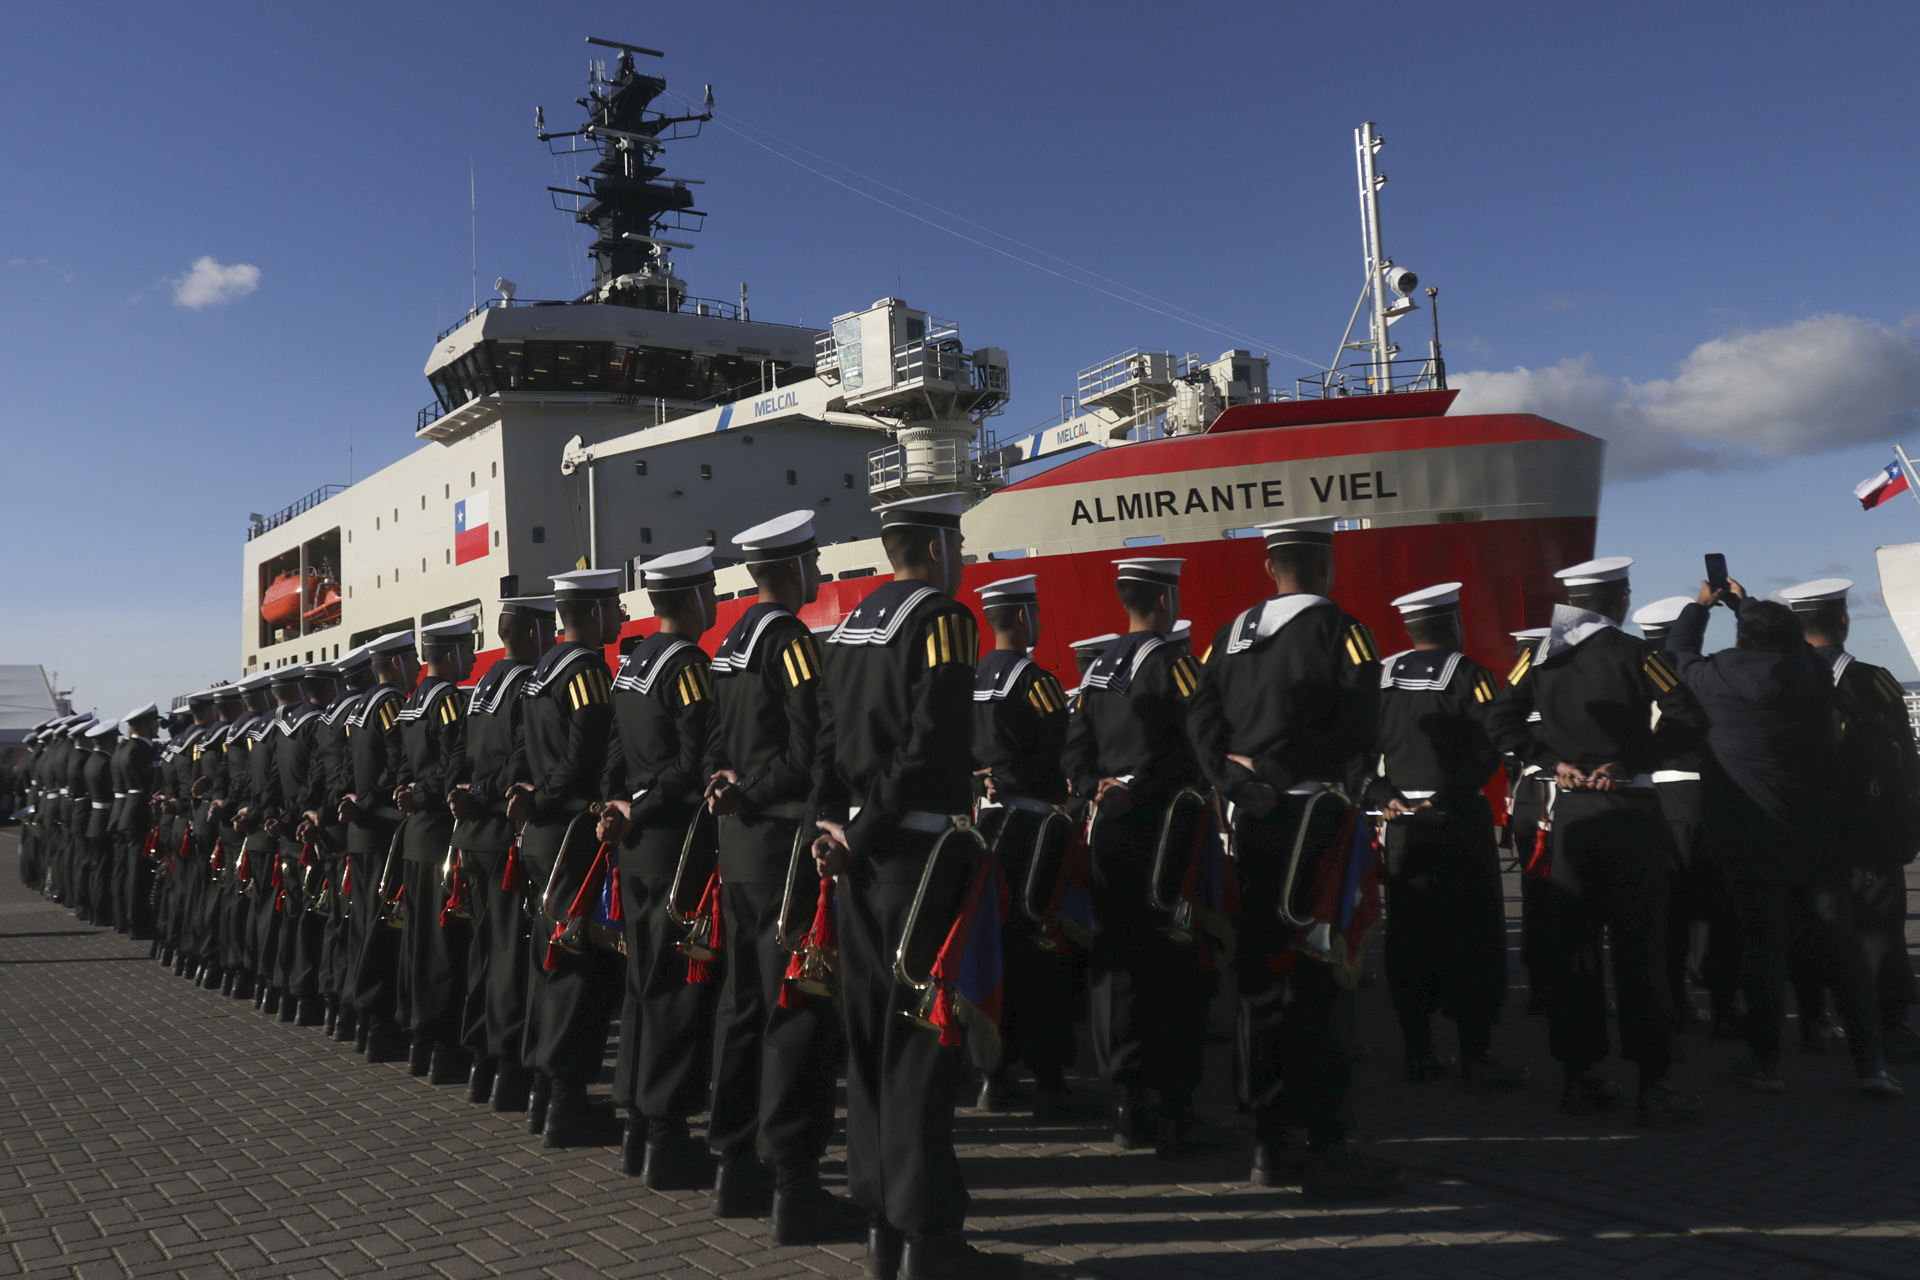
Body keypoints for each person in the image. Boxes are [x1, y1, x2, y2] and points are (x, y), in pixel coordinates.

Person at [812, 492, 1018, 1280]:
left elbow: (827, 744)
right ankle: (928, 1239)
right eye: (956, 544)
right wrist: (863, 832)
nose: (960, 559)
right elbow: (930, 741)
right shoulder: (943, 619)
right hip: (917, 858)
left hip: (858, 860)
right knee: (924, 1048)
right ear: (935, 548)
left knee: (869, 1041)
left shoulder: (847, 629)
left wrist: (832, 830)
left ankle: (882, 1226)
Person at [1186, 516, 1401, 1198]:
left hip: (1254, 821)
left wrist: (1237, 782)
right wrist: (1285, 773)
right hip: (1316, 820)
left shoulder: (1229, 634)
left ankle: (1268, 1142)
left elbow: (1200, 720)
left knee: (1259, 981)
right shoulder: (1343, 630)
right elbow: (1362, 726)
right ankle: (1327, 1149)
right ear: (1326, 565)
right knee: (1321, 982)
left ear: (1268, 567)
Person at [1488, 556, 1707, 1125]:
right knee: (1642, 952)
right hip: (1630, 811)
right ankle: (1653, 1081)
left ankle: (1579, 1077)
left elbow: (1500, 721)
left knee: (1575, 953)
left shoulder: (1538, 656)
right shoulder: (1640, 654)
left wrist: (1549, 760)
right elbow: (1690, 720)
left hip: (1569, 818)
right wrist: (1631, 760)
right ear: (1620, 599)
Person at [1666, 579, 1901, 1096]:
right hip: (1816, 836)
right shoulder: (1811, 673)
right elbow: (1799, 646)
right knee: (1843, 951)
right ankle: (1872, 1065)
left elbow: (1677, 650)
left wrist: (1702, 607)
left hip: (1749, 839)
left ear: (1741, 640)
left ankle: (1766, 1062)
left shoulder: (1714, 677)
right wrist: (1745, 603)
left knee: (1762, 953)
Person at [700, 514, 862, 1241]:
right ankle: (795, 1185)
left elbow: (714, 747)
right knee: (796, 1012)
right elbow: (809, 751)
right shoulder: (791, 642)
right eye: (813, 561)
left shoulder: (728, 642)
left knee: (741, 1011)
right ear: (792, 569)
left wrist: (726, 789)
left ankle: (735, 1169)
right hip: (781, 853)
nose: (819, 572)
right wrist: (777, 802)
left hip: (738, 854)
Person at [1061, 557, 1234, 1161]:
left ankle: (1128, 1103)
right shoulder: (1175, 663)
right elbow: (1202, 743)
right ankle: (1176, 1111)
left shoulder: (1098, 669)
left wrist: (1096, 787)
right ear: (1165, 601)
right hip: (1164, 831)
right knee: (1174, 968)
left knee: (1119, 963)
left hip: (1109, 828)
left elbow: (1075, 752)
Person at [596, 550, 722, 1190]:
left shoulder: (632, 665)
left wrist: (615, 808)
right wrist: (640, 807)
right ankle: (667, 1138)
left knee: (642, 988)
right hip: (675, 846)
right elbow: (694, 763)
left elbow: (614, 757)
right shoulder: (688, 666)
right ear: (693, 598)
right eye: (711, 590)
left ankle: (637, 1130)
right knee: (673, 993)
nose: (715, 600)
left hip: (635, 847)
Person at [1367, 583, 1525, 1092]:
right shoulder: (1469, 674)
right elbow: (1491, 744)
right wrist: (1447, 796)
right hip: (1457, 820)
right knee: (1472, 937)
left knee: (1409, 938)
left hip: (1400, 824)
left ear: (1410, 628)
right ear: (1454, 623)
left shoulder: (1379, 677)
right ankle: (1477, 1055)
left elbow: (1357, 750)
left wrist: (1384, 794)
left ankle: (1418, 1052)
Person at [970, 575, 1096, 1121]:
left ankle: (994, 1075)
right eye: (1037, 613)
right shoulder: (1036, 681)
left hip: (988, 825)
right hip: (1036, 830)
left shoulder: (972, 679)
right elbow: (1060, 753)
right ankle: (1049, 1078)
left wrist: (986, 779)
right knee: (1042, 950)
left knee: (995, 948)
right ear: (1023, 617)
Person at [1780, 577, 1920, 1062]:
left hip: (1799, 823)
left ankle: (1814, 1019)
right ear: (1843, 620)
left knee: (1807, 922)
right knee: (1878, 925)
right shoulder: (1876, 680)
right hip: (1868, 824)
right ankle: (1889, 1024)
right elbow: (1905, 758)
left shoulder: (1780, 679)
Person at [507, 569, 622, 1147]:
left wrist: (528, 798)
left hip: (540, 838)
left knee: (548, 968)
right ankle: (566, 1105)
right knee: (580, 975)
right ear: (595, 613)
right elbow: (584, 756)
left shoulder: (539, 671)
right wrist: (549, 799)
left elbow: (523, 752)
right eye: (615, 605)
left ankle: (542, 1095)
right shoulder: (586, 671)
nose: (623, 614)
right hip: (571, 838)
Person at [450, 597, 550, 1110]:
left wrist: (464, 792)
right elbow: (521, 758)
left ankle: (480, 1064)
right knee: (508, 956)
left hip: (472, 835)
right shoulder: (527, 682)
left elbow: (460, 754)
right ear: (532, 634)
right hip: (501, 835)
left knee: (483, 952)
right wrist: (486, 792)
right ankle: (507, 1067)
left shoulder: (484, 683)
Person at [1632, 596, 1743, 1037]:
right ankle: (1724, 1006)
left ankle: (1674, 1003)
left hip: (1650, 796)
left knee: (1667, 908)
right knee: (1718, 907)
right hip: (1700, 793)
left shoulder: (1630, 673)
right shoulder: (1696, 671)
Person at [395, 617, 478, 1082]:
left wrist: (409, 793)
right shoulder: (447, 699)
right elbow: (452, 767)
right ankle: (443, 1047)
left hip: (414, 836)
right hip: (438, 836)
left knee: (418, 944)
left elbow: (403, 768)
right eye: (468, 649)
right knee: (444, 947)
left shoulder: (412, 702)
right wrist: (428, 794)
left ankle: (420, 1044)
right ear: (450, 655)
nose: (472, 658)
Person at [341, 631, 416, 1061]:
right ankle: (379, 1026)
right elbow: (396, 762)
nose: (417, 668)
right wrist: (369, 801)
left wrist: (354, 801)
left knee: (364, 926)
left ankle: (363, 1023)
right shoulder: (389, 702)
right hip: (382, 828)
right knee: (381, 932)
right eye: (412, 660)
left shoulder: (360, 706)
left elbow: (349, 766)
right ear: (398, 664)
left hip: (362, 830)